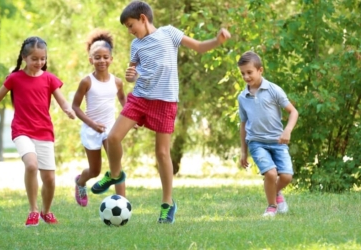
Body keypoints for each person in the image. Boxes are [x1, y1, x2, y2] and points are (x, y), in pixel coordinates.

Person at [90, 0, 231, 224]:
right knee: (113, 137)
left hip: (165, 102)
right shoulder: (136, 45)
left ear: (143, 19)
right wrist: (131, 76)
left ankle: (167, 204)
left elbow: (198, 46)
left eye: (130, 25)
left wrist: (217, 40)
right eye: (127, 27)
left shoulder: (169, 33)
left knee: (162, 154)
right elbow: (135, 73)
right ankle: (114, 174)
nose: (129, 30)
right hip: (140, 98)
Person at [0, 36, 76, 226]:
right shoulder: (15, 78)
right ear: (24, 57)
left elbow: (61, 99)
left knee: (49, 179)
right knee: (31, 165)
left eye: (43, 59)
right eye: (35, 59)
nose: (39, 63)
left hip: (44, 131)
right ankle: (32, 211)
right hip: (22, 129)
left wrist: (68, 109)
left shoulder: (49, 78)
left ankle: (45, 211)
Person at [237, 51, 299, 217]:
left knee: (286, 176)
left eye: (249, 72)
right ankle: (271, 206)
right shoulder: (242, 97)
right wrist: (243, 151)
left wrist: (287, 130)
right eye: (243, 73)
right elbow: (243, 125)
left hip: (278, 141)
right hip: (256, 142)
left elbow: (293, 112)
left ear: (260, 70)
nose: (246, 76)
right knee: (271, 173)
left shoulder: (273, 90)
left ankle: (275, 192)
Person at [71, 29, 127, 207]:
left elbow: (123, 100)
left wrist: (129, 119)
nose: (101, 60)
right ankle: (80, 182)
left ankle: (123, 203)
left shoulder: (117, 82)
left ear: (111, 58)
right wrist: (92, 124)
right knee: (95, 170)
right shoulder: (87, 82)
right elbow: (75, 107)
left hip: (111, 129)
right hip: (91, 129)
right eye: (97, 57)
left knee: (116, 166)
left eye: (105, 57)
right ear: (90, 60)